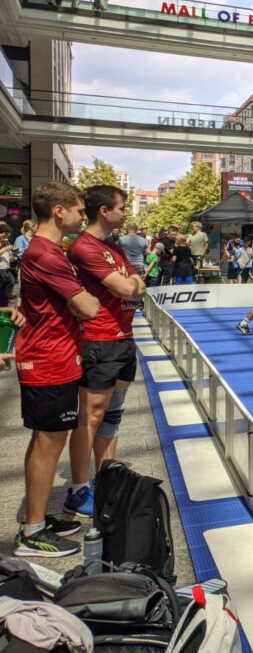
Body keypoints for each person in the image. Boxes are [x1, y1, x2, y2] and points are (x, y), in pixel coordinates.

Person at [14, 182, 98, 557]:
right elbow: (90, 308)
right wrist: (88, 300)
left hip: (56, 356)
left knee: (51, 440)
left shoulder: (47, 251)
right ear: (59, 211)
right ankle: (32, 532)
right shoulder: (46, 254)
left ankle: (38, 519)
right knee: (49, 443)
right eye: (81, 210)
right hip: (48, 360)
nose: (85, 216)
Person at [65, 185, 147, 519]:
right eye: (122, 208)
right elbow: (129, 286)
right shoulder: (84, 247)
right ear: (104, 211)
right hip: (99, 340)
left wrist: (133, 282)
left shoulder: (112, 246)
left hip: (124, 338)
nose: (125, 212)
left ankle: (105, 477)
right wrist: (132, 282)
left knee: (113, 414)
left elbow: (138, 284)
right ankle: (78, 487)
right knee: (91, 417)